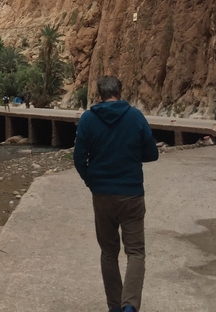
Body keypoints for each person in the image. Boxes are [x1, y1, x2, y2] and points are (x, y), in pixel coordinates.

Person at [73, 75, 159, 312]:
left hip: (102, 195)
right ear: (120, 92)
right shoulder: (135, 117)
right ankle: (129, 306)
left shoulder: (88, 119)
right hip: (131, 193)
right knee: (136, 253)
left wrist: (92, 181)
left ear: (99, 94)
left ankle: (114, 307)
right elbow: (152, 153)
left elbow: (79, 158)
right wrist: (130, 154)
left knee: (109, 252)